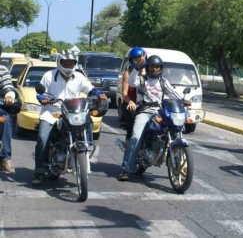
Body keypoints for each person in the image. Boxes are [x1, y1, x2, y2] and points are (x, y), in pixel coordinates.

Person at [32, 53, 107, 186]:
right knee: (42, 138)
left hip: (72, 111)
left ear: (75, 63)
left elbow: (90, 89)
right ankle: (39, 171)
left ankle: (88, 146)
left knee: (87, 120)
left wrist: (98, 93)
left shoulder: (79, 76)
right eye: (65, 63)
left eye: (71, 63)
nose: (68, 66)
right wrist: (42, 98)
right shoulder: (49, 75)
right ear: (59, 62)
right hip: (52, 111)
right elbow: (40, 93)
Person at [117, 55, 190, 181]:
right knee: (135, 136)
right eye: (152, 66)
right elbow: (130, 82)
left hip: (159, 111)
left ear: (161, 68)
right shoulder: (141, 79)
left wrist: (183, 101)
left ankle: (178, 162)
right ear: (148, 67)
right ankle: (126, 169)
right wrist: (137, 68)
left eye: (157, 67)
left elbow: (173, 94)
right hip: (144, 111)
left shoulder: (163, 81)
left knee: (174, 129)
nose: (155, 69)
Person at [0, 45, 21, 173]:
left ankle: (4, 158)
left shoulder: (2, 70)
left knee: (5, 119)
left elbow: (7, 85)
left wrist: (9, 95)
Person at [121, 47, 147, 145]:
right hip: (131, 102)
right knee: (132, 113)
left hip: (145, 103)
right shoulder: (128, 73)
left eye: (140, 59)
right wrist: (130, 101)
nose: (138, 62)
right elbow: (124, 93)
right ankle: (129, 139)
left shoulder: (148, 72)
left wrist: (143, 69)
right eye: (135, 60)